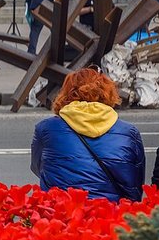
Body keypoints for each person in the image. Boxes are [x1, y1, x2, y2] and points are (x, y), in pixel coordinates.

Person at [31, 68, 145, 202]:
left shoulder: (46, 129)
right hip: (111, 215)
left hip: (61, 214)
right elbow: (135, 184)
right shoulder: (129, 133)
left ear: (66, 94)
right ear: (107, 93)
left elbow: (38, 167)